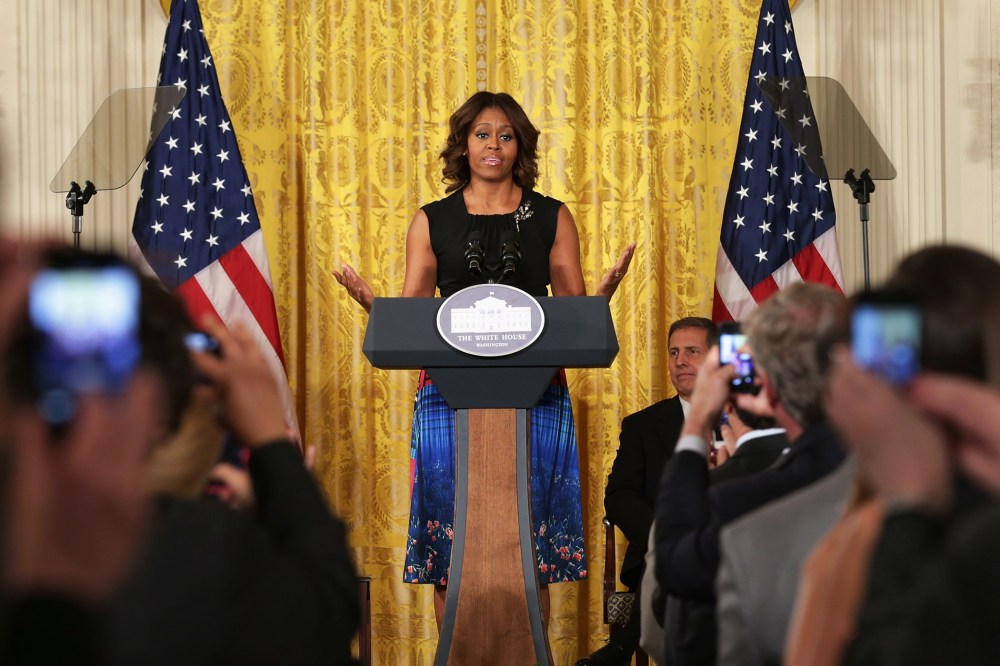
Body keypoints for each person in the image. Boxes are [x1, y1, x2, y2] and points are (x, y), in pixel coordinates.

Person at [333, 90, 635, 623]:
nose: (493, 144)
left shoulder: (552, 217)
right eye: (481, 134)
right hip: (447, 393)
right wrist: (374, 308)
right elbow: (410, 322)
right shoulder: (431, 220)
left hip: (537, 388)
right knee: (450, 539)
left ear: (519, 146)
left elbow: (572, 316)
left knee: (531, 540)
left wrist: (600, 301)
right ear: (463, 145)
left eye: (505, 135)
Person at [653, 283, 845, 621]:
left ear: (766, 386)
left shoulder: (734, 500)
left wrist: (697, 421)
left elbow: (673, 581)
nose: (680, 361)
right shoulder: (896, 478)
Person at [577, 317, 716, 665]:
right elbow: (620, 496)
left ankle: (621, 649)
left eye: (692, 352)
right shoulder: (642, 425)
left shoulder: (745, 418)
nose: (680, 360)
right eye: (674, 352)